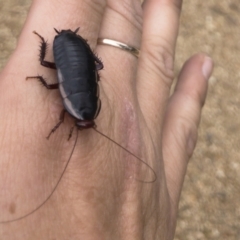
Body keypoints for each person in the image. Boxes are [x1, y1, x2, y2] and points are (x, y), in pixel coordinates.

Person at [0, 0, 213, 239]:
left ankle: (49, 41)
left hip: (71, 54)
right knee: (60, 70)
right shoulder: (80, 108)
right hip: (76, 54)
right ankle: (55, 42)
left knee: (54, 69)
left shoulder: (77, 108)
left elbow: (82, 80)